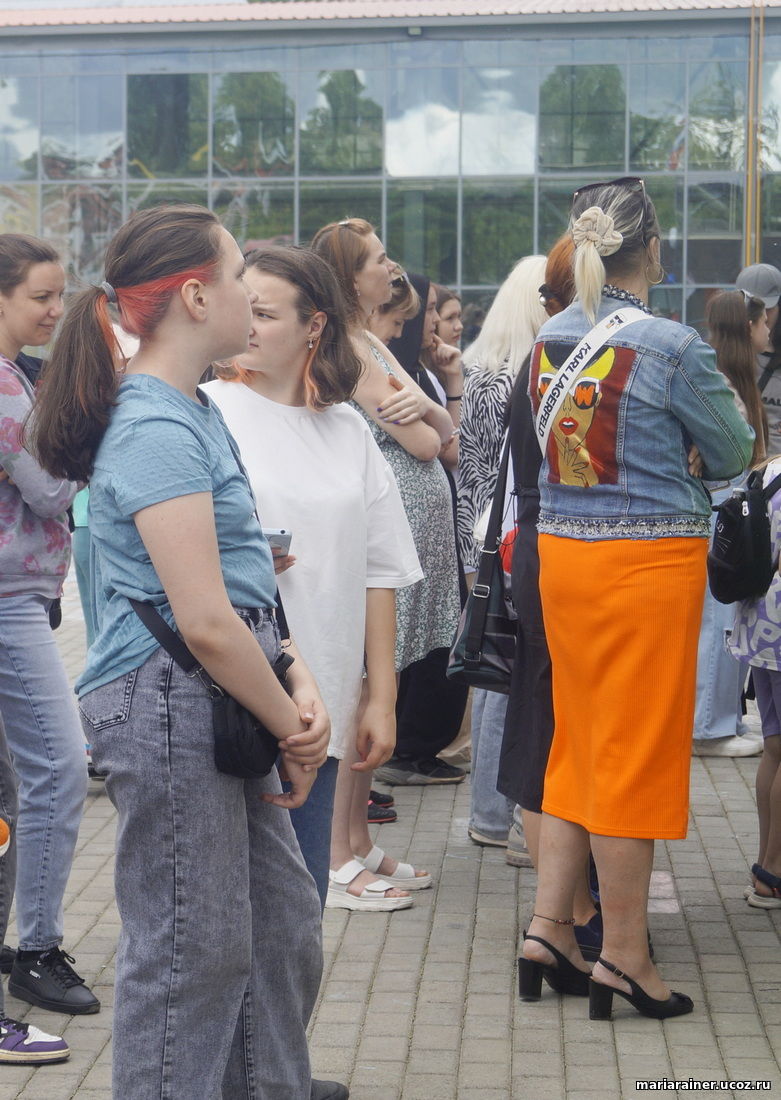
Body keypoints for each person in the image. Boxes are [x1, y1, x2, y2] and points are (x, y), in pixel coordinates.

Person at [31, 204, 346, 1100]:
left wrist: (294, 672)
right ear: (197, 295)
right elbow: (203, 618)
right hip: (170, 701)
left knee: (279, 925)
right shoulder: (155, 428)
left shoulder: (191, 408)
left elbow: (240, 588)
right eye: (242, 273)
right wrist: (292, 723)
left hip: (209, 691)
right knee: (190, 954)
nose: (254, 290)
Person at [520, 178, 753, 1020]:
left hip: (562, 558)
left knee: (578, 744)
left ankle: (548, 925)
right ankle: (622, 955)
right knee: (633, 755)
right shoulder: (671, 343)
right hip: (646, 566)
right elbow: (731, 450)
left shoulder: (548, 334)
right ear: (651, 248)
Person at [203, 245, 423, 912]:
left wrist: (378, 698)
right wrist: (234, 560)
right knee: (224, 912)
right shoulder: (204, 409)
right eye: (242, 307)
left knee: (296, 919)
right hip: (225, 702)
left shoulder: (347, 431)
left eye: (264, 312)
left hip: (321, 706)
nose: (245, 324)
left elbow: (380, 572)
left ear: (314, 326)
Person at [311, 219, 462, 792]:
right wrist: (433, 418)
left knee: (381, 681)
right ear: (349, 279)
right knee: (367, 687)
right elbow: (426, 441)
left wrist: (435, 413)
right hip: (379, 532)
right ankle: (343, 847)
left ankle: (357, 842)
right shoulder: (350, 347)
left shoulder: (372, 341)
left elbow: (441, 428)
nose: (391, 269)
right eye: (378, 259)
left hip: (404, 529)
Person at [0, 233, 100, 1037]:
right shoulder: (4, 388)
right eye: (40, 295)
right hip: (10, 603)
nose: (53, 309)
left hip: (22, 598)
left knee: (20, 784)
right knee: (59, 769)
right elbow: (50, 492)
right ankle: (36, 948)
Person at [457, 255, 548, 848]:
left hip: (488, 538)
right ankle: (512, 814)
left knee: (493, 675)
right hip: (522, 535)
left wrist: (471, 558)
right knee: (524, 676)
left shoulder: (480, 374)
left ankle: (489, 813)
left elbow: (469, 471)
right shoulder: (540, 377)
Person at [374, 273, 468, 784]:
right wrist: (440, 407)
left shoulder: (419, 371)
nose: (436, 321)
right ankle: (401, 749)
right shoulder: (377, 369)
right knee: (400, 648)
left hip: (430, 528)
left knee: (428, 640)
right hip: (404, 526)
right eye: (430, 311)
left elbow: (445, 435)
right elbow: (439, 445)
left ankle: (410, 748)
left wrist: (446, 391)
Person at [693, 290, 769, 757]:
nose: (768, 330)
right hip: (720, 510)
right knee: (718, 618)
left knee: (729, 616)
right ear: (748, 327)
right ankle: (709, 728)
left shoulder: (731, 379)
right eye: (762, 322)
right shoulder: (720, 382)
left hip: (729, 507)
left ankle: (726, 719)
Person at [729, 456, 781, 909]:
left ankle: (766, 864)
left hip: (759, 626)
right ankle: (774, 872)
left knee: (775, 749)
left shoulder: (769, 469)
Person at [736, 263, 781, 452]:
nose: (762, 315)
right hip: (741, 473)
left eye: (767, 308)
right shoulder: (719, 361)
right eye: (754, 309)